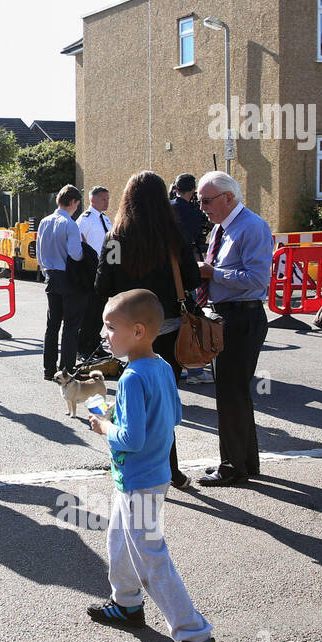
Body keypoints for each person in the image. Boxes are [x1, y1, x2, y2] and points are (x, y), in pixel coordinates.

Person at [85, 289, 224, 642]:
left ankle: (197, 640)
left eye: (111, 327)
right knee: (118, 539)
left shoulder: (130, 376)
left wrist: (105, 424)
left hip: (138, 482)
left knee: (152, 560)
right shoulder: (161, 366)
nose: (105, 334)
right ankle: (126, 603)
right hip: (152, 476)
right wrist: (122, 415)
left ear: (139, 330)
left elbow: (130, 439)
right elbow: (174, 415)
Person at [95, 171, 200, 490]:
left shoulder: (115, 237)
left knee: (132, 397)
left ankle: (130, 461)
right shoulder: (173, 235)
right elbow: (193, 279)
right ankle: (171, 469)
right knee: (165, 400)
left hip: (129, 329)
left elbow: (103, 284)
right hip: (167, 327)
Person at [193, 171, 273, 486]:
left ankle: (233, 466)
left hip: (243, 316)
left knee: (231, 394)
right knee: (233, 393)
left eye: (207, 200)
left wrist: (214, 274)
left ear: (229, 198)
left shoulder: (252, 226)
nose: (202, 207)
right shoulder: (222, 229)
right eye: (200, 201)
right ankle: (245, 462)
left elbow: (257, 280)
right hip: (228, 316)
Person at [38, 185, 88, 380]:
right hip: (68, 277)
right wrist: (84, 246)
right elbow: (76, 255)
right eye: (77, 204)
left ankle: (48, 369)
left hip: (50, 275)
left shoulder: (44, 221)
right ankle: (66, 369)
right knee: (71, 326)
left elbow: (41, 252)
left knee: (52, 325)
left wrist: (45, 272)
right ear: (74, 202)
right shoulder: (70, 224)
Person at [170, 173, 212, 384]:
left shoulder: (166, 209)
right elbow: (201, 234)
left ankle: (180, 365)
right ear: (193, 190)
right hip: (187, 267)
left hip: (168, 268)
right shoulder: (194, 214)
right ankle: (194, 368)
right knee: (190, 318)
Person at [76, 186, 112, 359]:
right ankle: (82, 347)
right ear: (92, 200)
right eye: (103, 199)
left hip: (105, 271)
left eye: (107, 198)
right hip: (90, 271)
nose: (106, 201)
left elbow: (114, 244)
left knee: (100, 312)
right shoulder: (85, 220)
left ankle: (94, 344)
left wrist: (116, 266)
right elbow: (78, 246)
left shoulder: (106, 219)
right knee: (89, 312)